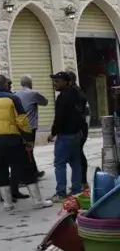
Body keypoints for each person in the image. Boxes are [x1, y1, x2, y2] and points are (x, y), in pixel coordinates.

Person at [0, 75, 52, 210]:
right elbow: (22, 121)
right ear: (6, 85)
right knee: (27, 169)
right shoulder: (12, 99)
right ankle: (37, 201)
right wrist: (29, 139)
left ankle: (7, 204)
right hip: (12, 140)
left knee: (0, 172)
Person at [49, 72, 85, 203]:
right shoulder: (77, 93)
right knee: (75, 162)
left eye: (57, 81)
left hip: (65, 134)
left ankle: (61, 193)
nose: (55, 84)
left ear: (65, 82)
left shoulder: (63, 97)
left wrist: (53, 133)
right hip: (77, 133)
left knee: (59, 163)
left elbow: (59, 117)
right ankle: (76, 191)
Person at [15, 74, 49, 179]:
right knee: (29, 150)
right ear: (30, 83)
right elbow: (45, 102)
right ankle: (30, 175)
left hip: (19, 127)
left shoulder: (15, 94)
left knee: (22, 150)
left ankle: (33, 172)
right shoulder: (33, 94)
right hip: (30, 128)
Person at [66, 71, 90, 189]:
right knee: (77, 154)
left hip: (78, 128)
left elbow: (79, 112)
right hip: (81, 127)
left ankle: (82, 181)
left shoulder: (75, 93)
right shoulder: (77, 91)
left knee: (77, 154)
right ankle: (81, 180)